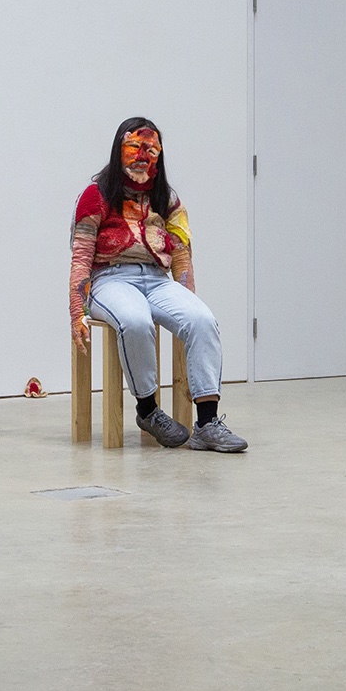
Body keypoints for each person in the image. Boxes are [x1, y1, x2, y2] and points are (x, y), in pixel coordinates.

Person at [69, 117, 248, 452]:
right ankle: (148, 410)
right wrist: (77, 311)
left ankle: (207, 423)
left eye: (150, 149)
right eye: (134, 146)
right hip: (110, 279)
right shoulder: (95, 195)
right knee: (134, 321)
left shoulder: (166, 198)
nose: (142, 155)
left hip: (156, 278)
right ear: (119, 150)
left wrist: (186, 298)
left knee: (202, 320)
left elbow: (181, 255)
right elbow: (81, 256)